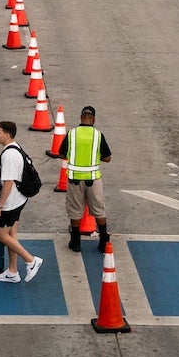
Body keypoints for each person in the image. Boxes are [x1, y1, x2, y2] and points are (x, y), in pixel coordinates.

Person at [0, 120, 42, 283]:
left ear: (7, 134)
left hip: (10, 203)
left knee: (1, 235)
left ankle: (31, 260)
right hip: (19, 200)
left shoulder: (8, 155)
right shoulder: (15, 148)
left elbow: (9, 182)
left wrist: (0, 206)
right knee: (11, 234)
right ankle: (12, 271)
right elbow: (11, 176)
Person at [62, 105, 112, 253]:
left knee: (75, 211)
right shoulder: (98, 135)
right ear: (93, 119)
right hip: (93, 179)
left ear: (81, 117)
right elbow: (108, 158)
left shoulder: (72, 134)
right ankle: (103, 241)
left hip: (74, 179)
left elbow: (61, 153)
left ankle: (76, 242)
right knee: (99, 210)